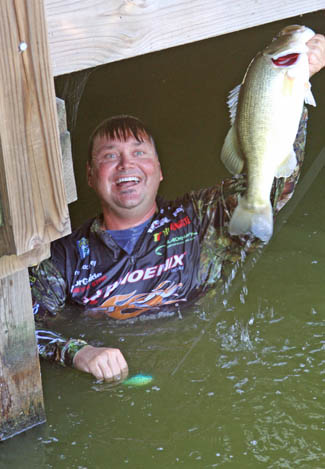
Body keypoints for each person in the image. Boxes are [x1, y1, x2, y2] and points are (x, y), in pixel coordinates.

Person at [30, 32, 325, 382]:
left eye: (140, 154)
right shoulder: (65, 257)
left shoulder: (198, 219)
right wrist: (79, 351)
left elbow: (271, 190)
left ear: (159, 171)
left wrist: (296, 82)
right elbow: (17, 328)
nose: (127, 165)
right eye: (111, 157)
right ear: (91, 177)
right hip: (118, 390)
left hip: (205, 377)